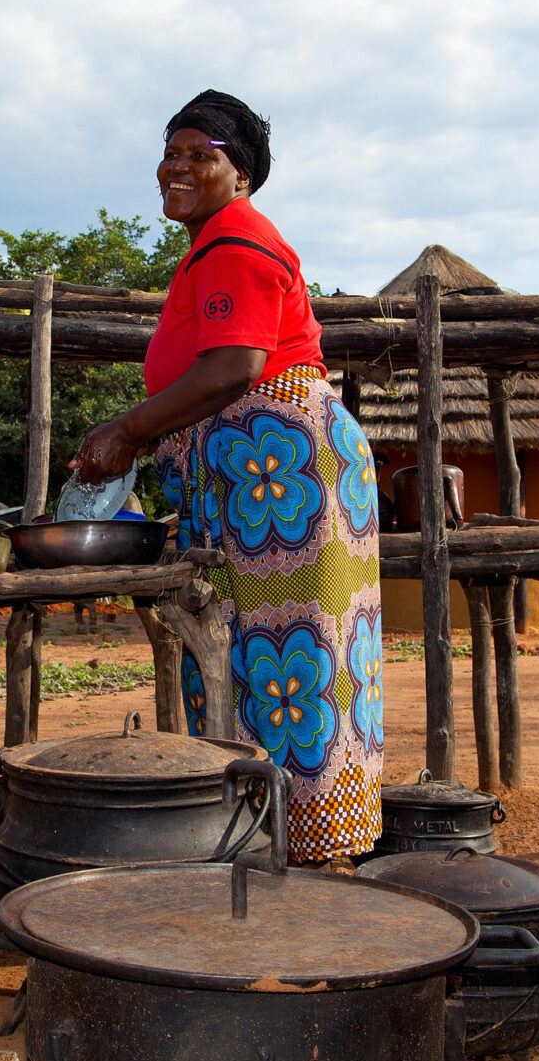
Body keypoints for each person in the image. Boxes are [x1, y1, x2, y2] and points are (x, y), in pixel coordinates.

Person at [69, 90, 383, 862]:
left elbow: (237, 365)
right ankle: (284, 841)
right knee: (268, 652)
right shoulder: (216, 245)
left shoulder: (235, 242)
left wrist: (129, 430)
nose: (176, 167)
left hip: (275, 475)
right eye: (170, 153)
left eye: (198, 154)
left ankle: (289, 846)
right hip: (265, 474)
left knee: (282, 655)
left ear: (239, 174)